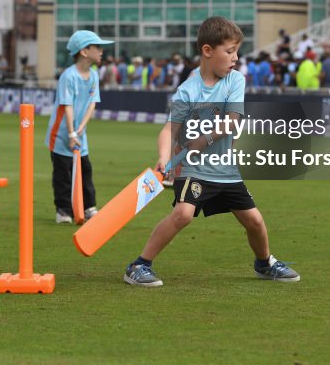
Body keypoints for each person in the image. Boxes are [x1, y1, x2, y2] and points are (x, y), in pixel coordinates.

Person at [124, 17, 300, 287]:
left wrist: (204, 138)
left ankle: (264, 263)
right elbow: (169, 131)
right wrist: (163, 158)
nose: (235, 58)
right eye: (229, 51)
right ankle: (139, 265)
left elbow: (232, 120)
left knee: (254, 220)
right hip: (193, 169)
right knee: (183, 214)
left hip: (225, 169)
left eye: (236, 51)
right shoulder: (187, 91)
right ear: (208, 51)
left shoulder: (234, 81)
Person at [46, 30, 113, 224]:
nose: (101, 51)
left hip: (79, 134)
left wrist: (81, 128)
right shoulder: (69, 76)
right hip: (61, 134)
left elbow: (92, 103)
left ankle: (88, 206)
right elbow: (66, 106)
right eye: (97, 47)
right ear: (84, 51)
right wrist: (71, 132)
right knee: (63, 173)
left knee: (85, 170)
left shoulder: (93, 75)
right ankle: (64, 211)